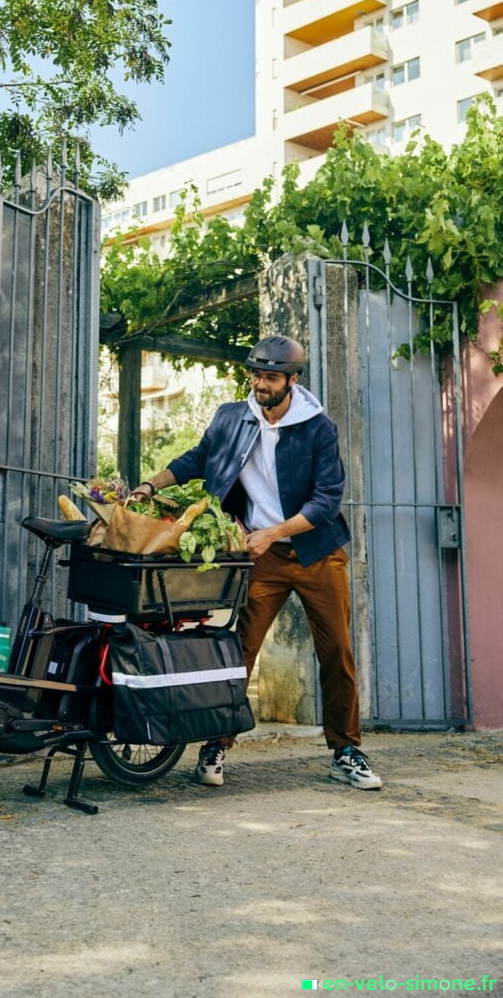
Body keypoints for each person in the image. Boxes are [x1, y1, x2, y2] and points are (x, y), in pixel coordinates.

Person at [130, 334, 382, 791]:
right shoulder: (233, 418)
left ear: (292, 380)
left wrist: (274, 532)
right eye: (256, 375)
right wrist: (151, 485)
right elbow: (197, 459)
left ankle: (345, 750)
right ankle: (215, 745)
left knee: (337, 653)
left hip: (316, 553)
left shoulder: (317, 427)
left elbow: (326, 501)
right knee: (240, 650)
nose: (260, 384)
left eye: (270, 377)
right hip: (259, 558)